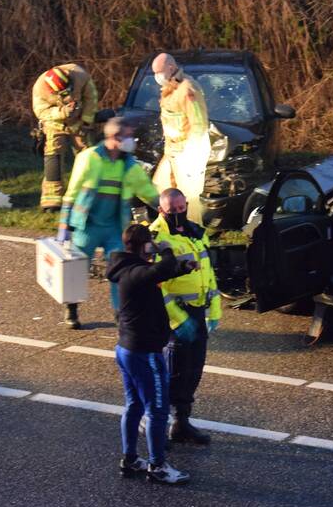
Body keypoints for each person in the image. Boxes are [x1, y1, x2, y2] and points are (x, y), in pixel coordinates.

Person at [106, 224, 194, 486]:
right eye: (150, 243)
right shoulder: (136, 272)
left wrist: (182, 267)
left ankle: (130, 459)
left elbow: (157, 273)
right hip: (144, 353)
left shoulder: (127, 269)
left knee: (134, 405)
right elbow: (158, 269)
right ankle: (157, 466)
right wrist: (165, 250)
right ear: (145, 246)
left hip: (127, 349)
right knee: (157, 410)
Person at [57, 117, 160, 329]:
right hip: (87, 224)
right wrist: (64, 224)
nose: (132, 140)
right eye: (128, 136)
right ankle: (71, 308)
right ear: (114, 137)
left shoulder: (129, 165)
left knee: (120, 271)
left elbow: (146, 190)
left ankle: (121, 313)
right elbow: (72, 191)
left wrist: (166, 206)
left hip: (115, 227)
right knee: (77, 269)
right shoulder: (89, 158)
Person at [148, 188, 221, 445]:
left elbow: (208, 273)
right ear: (161, 210)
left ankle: (181, 423)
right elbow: (157, 285)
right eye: (173, 210)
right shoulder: (157, 239)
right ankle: (154, 424)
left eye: (182, 208)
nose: (179, 213)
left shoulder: (195, 232)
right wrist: (178, 319)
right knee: (173, 373)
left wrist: (214, 310)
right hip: (175, 317)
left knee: (193, 370)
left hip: (197, 312)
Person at [150, 52, 211, 225]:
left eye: (159, 72)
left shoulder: (187, 89)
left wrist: (189, 155)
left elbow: (199, 124)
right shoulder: (169, 89)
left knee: (187, 197)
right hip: (173, 150)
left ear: (171, 68)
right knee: (162, 187)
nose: (157, 77)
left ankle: (193, 230)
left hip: (189, 151)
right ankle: (170, 227)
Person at [31, 64, 100, 211]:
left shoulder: (81, 76)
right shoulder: (40, 88)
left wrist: (87, 120)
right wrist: (62, 112)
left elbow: (91, 98)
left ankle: (89, 194)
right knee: (53, 155)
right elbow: (41, 112)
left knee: (87, 155)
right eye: (63, 93)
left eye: (69, 90)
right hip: (54, 124)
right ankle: (52, 199)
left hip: (79, 122)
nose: (67, 96)